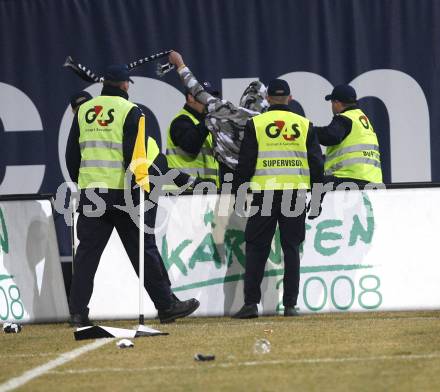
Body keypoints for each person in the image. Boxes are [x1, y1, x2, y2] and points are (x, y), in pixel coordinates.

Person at [66, 64, 200, 327]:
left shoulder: (83, 111)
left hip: (92, 192)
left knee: (87, 255)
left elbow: (73, 155)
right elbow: (133, 155)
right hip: (123, 194)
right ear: (126, 85)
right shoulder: (131, 111)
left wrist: (83, 182)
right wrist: (137, 189)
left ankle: (77, 312)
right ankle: (166, 306)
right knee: (143, 250)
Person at [231, 79, 324, 318]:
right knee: (291, 248)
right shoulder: (305, 125)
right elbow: (316, 165)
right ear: (290, 99)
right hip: (294, 194)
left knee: (256, 248)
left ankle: (251, 304)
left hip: (265, 194)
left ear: (268, 99)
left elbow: (246, 163)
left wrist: (240, 194)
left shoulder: (257, 123)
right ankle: (291, 305)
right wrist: (317, 199)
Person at [168, 51, 269, 185]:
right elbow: (190, 146)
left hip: (223, 189)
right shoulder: (268, 124)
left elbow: (196, 88)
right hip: (193, 193)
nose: (210, 100)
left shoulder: (222, 112)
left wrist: (180, 64)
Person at [314, 84, 383, 187]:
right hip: (373, 180)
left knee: (312, 180)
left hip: (349, 178)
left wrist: (308, 131)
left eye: (332, 102)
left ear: (337, 102)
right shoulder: (361, 119)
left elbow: (330, 136)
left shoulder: (345, 118)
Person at [166, 73, 220, 186]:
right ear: (190, 97)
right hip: (183, 196)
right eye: (204, 97)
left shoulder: (205, 123)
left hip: (204, 194)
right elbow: (191, 145)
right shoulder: (180, 121)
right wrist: (208, 119)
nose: (210, 101)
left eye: (211, 97)